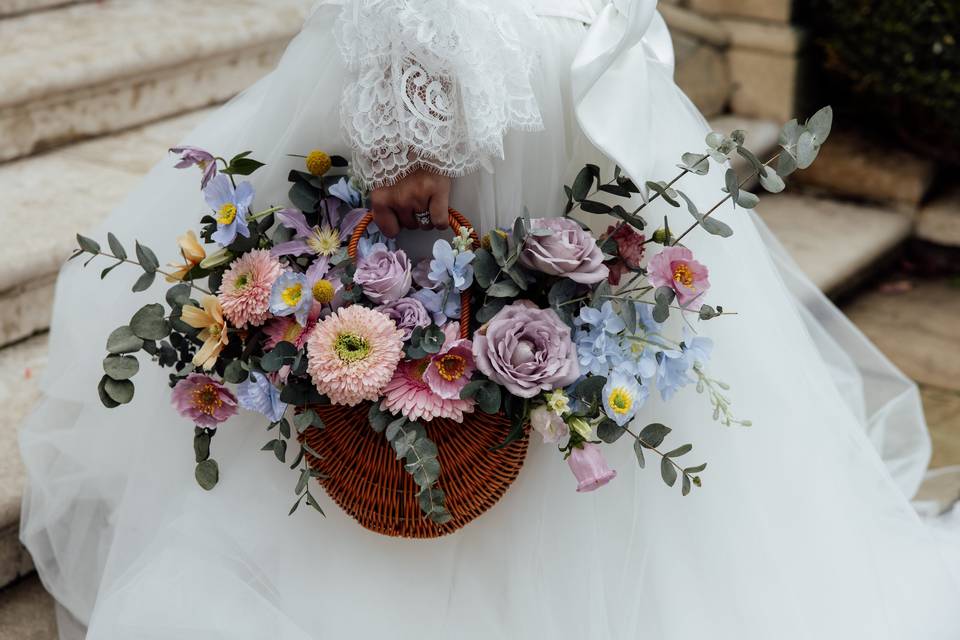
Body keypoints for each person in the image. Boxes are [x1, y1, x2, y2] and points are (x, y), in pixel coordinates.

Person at [19, 1, 960, 638]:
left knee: (559, 330)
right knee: (447, 308)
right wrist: (406, 122)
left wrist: (409, 123)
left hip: (529, 62)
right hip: (485, 58)